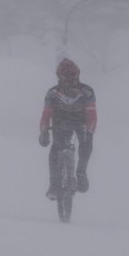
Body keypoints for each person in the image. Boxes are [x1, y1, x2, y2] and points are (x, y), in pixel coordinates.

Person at [39, 58, 97, 200]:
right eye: (68, 82)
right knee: (55, 148)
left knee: (86, 142)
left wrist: (89, 133)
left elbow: (92, 116)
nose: (72, 85)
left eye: (75, 81)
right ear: (60, 79)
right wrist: (44, 132)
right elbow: (46, 115)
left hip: (80, 121)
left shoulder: (87, 92)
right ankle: (54, 184)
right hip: (60, 121)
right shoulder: (52, 94)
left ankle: (81, 171)